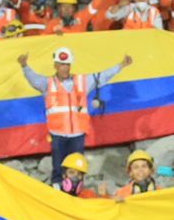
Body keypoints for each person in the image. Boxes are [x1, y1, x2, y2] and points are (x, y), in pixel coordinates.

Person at [18, 47, 132, 185]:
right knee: (58, 165)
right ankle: (57, 187)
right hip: (57, 134)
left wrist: (120, 65)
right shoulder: (47, 84)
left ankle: (76, 188)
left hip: (77, 134)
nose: (64, 68)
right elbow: (33, 79)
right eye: (61, 65)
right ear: (55, 66)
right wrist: (24, 66)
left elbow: (102, 76)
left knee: (77, 165)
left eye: (67, 65)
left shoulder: (83, 81)